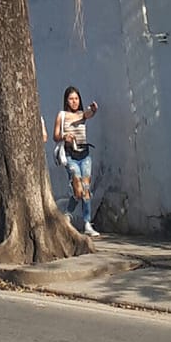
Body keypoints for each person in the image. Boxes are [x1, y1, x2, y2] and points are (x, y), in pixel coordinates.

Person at [53, 85, 99, 236]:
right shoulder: (62, 115)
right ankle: (67, 214)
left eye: (76, 99)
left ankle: (87, 223)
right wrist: (64, 137)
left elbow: (88, 114)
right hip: (70, 157)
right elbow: (55, 136)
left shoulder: (81, 114)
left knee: (86, 190)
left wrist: (93, 110)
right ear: (66, 100)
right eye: (71, 99)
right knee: (77, 190)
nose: (74, 102)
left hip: (85, 156)